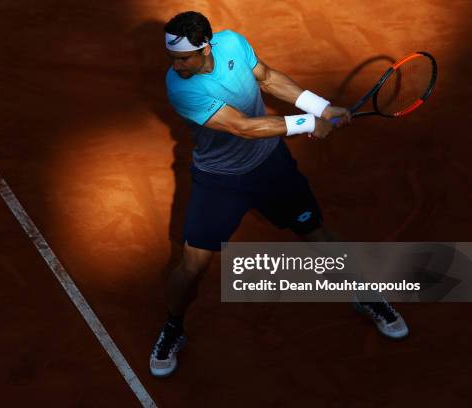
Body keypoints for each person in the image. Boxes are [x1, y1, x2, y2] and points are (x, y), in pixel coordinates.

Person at [150, 11, 409, 378]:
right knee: (192, 267)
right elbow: (241, 127)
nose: (175, 66)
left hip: (270, 167)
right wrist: (306, 123)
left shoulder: (234, 44)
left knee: (317, 233)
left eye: (183, 58)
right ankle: (173, 326)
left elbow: (268, 79)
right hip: (219, 181)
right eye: (172, 58)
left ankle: (365, 295)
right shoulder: (181, 87)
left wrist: (320, 108)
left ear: (206, 48)